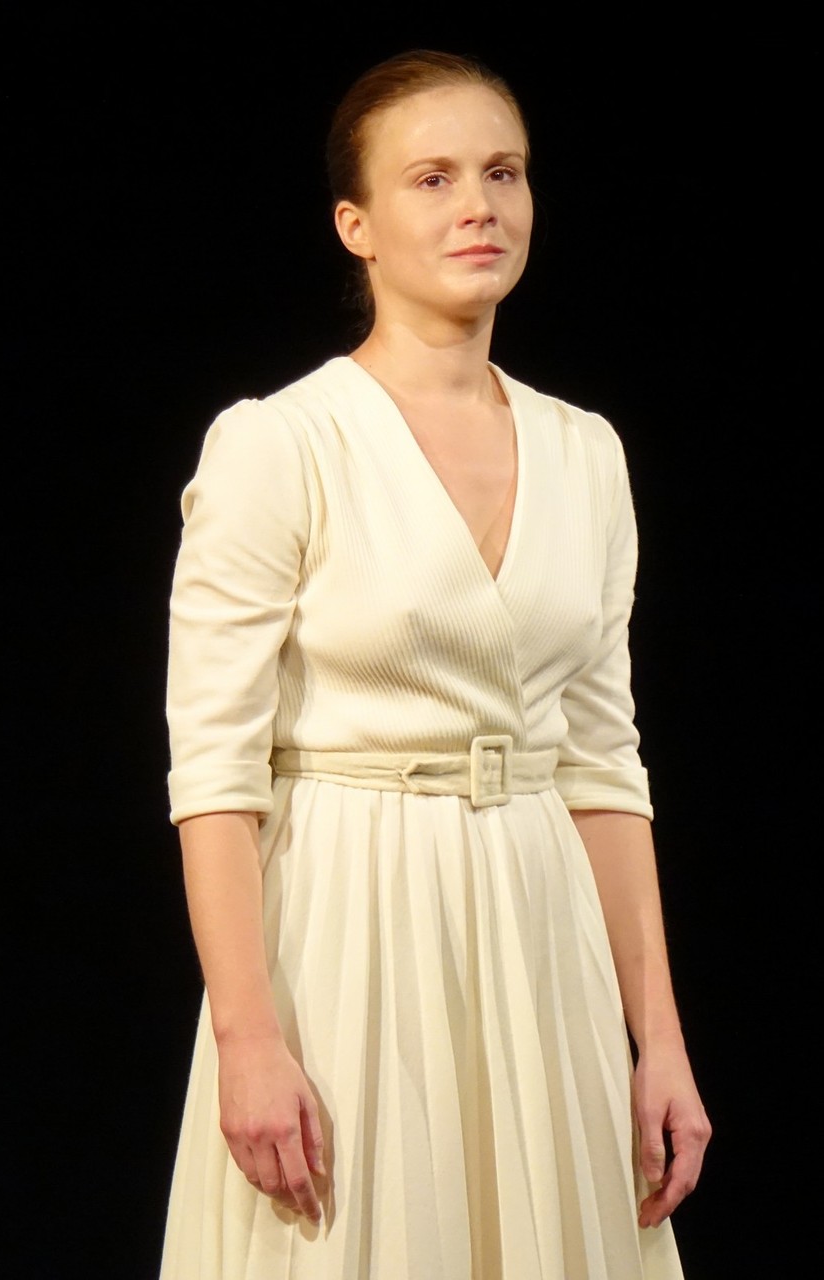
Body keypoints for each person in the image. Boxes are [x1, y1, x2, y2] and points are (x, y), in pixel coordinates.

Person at [159, 48, 711, 1280]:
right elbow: (216, 770)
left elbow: (601, 761)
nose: (478, 206)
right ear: (354, 224)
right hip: (349, 924)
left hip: (535, 925)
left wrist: (659, 1041)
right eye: (433, 178)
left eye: (503, 172)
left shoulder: (586, 451)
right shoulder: (281, 444)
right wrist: (248, 1034)